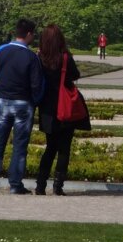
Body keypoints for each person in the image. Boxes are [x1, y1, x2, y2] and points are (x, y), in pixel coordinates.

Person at [0, 18, 45, 195]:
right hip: (23, 104)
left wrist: (0, 95)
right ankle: (15, 185)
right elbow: (37, 85)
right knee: (19, 146)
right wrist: (35, 101)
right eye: (33, 34)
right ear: (28, 34)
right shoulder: (31, 56)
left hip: (3, 101)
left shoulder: (0, 51)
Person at [34, 24, 91, 196]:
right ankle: (58, 187)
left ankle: (40, 185)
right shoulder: (65, 57)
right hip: (65, 107)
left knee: (50, 147)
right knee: (64, 149)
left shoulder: (39, 57)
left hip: (47, 108)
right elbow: (75, 75)